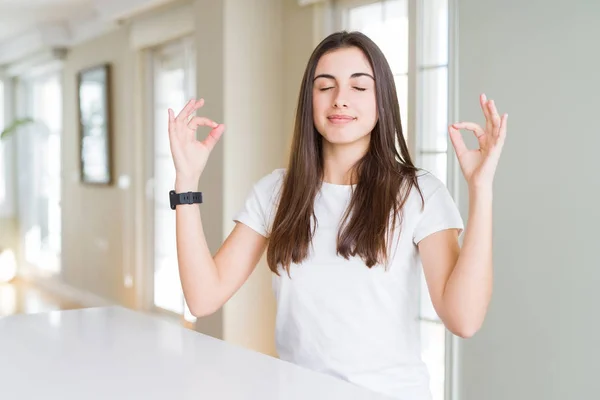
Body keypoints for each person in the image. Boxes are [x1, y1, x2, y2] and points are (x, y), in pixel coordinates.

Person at [167, 31, 507, 400]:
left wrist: (481, 188)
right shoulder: (276, 193)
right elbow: (202, 299)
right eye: (325, 86)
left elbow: (464, 319)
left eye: (359, 87)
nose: (340, 99)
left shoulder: (418, 193)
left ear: (383, 102)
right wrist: (186, 180)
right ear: (309, 100)